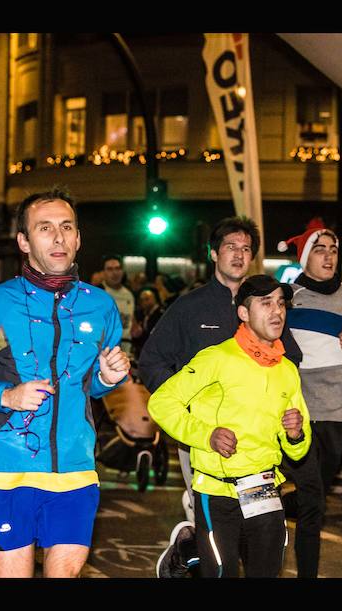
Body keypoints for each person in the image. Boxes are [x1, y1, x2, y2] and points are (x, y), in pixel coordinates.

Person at [0, 188, 130, 578]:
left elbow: (89, 386)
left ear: (78, 238)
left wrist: (107, 380)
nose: (58, 238)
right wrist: (6, 395)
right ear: (24, 241)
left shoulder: (102, 306)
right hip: (8, 468)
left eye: (66, 227)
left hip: (76, 468)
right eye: (45, 228)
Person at [139, 216, 302, 575]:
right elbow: (151, 361)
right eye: (231, 247)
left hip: (257, 452)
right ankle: (191, 550)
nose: (239, 255)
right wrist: (194, 410)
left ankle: (192, 548)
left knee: (255, 541)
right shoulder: (189, 307)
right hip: (201, 439)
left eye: (246, 249)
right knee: (214, 524)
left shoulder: (265, 304)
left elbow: (291, 360)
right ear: (214, 254)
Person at [276, 220, 342, 578]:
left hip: (333, 414)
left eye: (333, 250)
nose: (328, 257)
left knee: (314, 501)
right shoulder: (285, 299)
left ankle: (276, 508)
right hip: (287, 413)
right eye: (320, 250)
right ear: (305, 256)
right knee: (310, 503)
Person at [100, 254, 139, 358]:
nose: (114, 273)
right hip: (104, 351)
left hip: (126, 350)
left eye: (118, 268)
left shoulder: (129, 294)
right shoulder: (98, 294)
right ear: (103, 272)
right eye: (110, 269)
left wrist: (135, 327)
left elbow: (131, 319)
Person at [132, 286, 163, 362]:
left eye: (147, 299)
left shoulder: (161, 314)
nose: (144, 302)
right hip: (143, 352)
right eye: (141, 300)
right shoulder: (141, 315)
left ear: (154, 299)